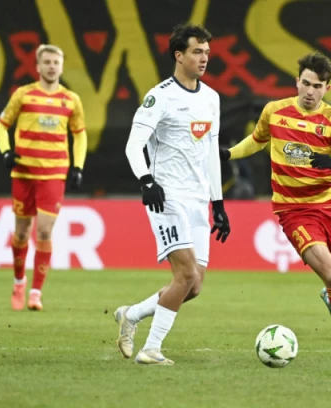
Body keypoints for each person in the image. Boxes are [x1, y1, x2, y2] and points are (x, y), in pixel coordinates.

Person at [220, 51, 331, 363]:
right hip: (294, 211)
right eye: (306, 83)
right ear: (297, 81)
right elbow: (257, 140)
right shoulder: (275, 112)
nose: (310, 91)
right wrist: (230, 154)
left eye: (317, 86)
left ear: (327, 88)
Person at [117, 23, 230, 365]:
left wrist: (218, 203)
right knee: (186, 275)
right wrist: (147, 181)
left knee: (193, 286)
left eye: (207, 52)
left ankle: (131, 315)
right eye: (197, 52)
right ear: (179, 55)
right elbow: (133, 145)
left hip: (198, 200)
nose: (204, 58)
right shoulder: (160, 96)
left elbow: (211, 155)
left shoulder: (211, 98)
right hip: (166, 197)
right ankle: (151, 349)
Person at [0, 44, 87, 311]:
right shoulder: (23, 95)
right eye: (47, 62)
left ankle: (35, 292)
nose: (51, 67)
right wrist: (6, 152)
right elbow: (0, 127)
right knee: (22, 233)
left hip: (54, 173)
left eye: (56, 62)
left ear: (61, 66)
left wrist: (78, 166)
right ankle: (18, 282)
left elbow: (80, 134)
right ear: (37, 66)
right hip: (24, 172)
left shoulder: (71, 99)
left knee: (45, 230)